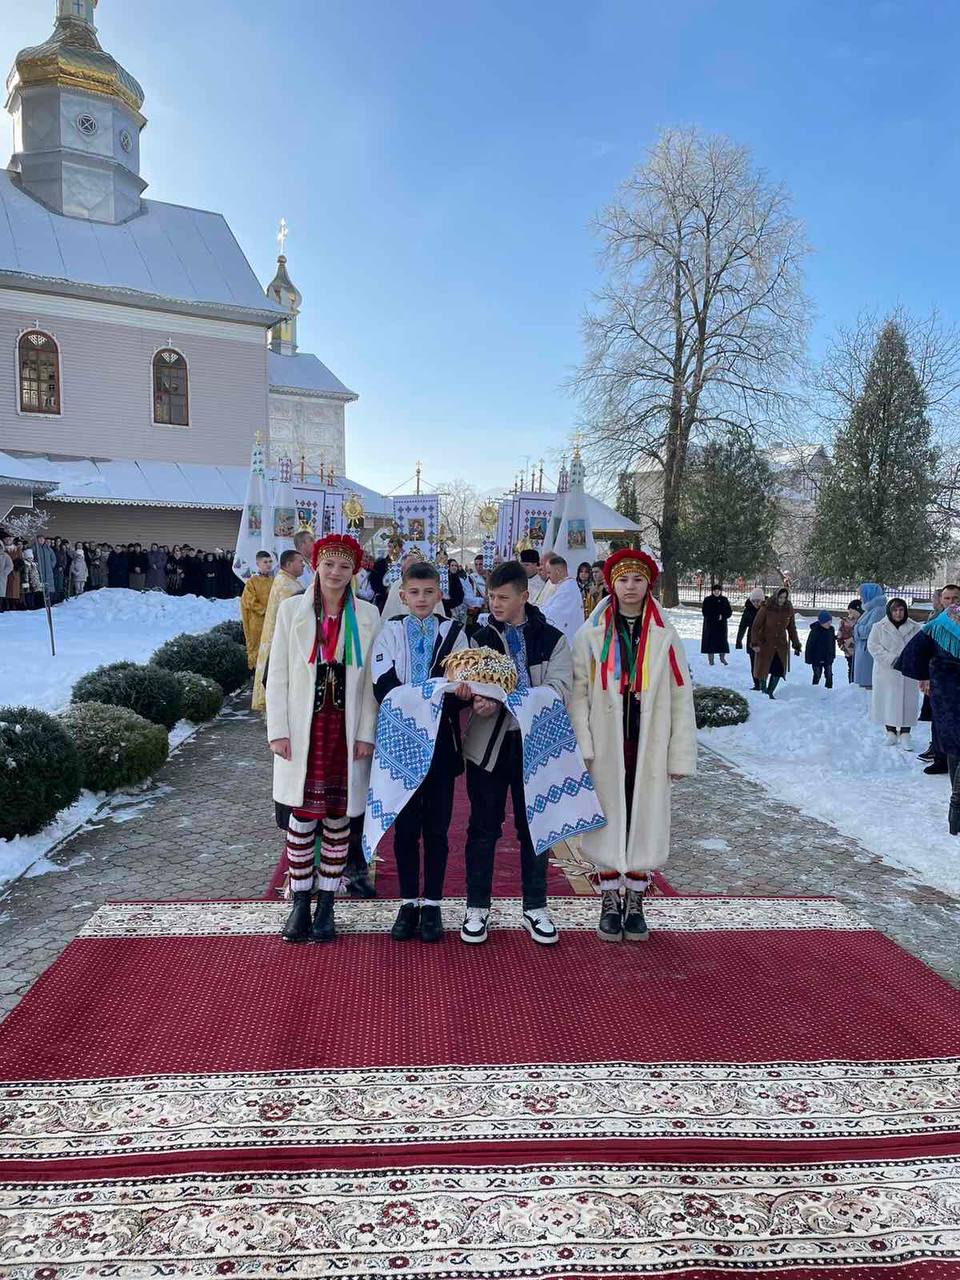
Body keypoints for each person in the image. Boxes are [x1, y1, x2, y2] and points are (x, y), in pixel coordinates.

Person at [570, 548, 697, 942]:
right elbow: (578, 692)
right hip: (608, 739)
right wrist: (584, 744)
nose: (630, 587)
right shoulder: (590, 634)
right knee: (609, 813)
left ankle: (637, 898)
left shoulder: (664, 635)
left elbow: (680, 694)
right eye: (623, 580)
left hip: (649, 739)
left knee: (644, 813)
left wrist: (679, 752)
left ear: (648, 585)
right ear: (612, 583)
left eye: (637, 580)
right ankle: (609, 897)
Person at [266, 534, 379, 943]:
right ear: (316, 565)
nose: (335, 573)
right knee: (301, 816)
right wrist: (277, 730)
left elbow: (370, 683)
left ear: (354, 571)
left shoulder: (367, 615)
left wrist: (367, 732)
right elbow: (276, 672)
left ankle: (328, 903)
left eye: (344, 566)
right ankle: (300, 902)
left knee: (338, 816)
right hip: (304, 727)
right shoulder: (291, 611)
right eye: (328, 564)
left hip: (344, 728)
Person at [461, 560, 572, 946]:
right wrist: (478, 699)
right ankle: (477, 906)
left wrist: (511, 699)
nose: (495, 604)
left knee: (534, 828)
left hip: (533, 746)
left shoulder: (552, 639)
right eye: (491, 596)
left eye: (503, 597)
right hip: (488, 747)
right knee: (483, 827)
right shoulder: (477, 637)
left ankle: (535, 905)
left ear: (524, 596)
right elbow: (467, 680)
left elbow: (560, 689)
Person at [371, 561, 470, 942]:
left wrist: (459, 693)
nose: (422, 599)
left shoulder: (456, 634)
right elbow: (384, 685)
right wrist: (433, 692)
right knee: (406, 828)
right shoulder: (391, 632)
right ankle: (408, 901)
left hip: (442, 745)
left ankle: (433, 903)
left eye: (429, 592)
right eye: (414, 592)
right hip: (402, 744)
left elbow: (462, 680)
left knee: (438, 829)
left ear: (440, 594)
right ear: (403, 595)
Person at [895, 603, 960, 833]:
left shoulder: (945, 619)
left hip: (946, 692)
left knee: (954, 745)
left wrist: (926, 674)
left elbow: (912, 653)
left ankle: (956, 807)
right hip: (947, 692)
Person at [252, 549, 304, 712]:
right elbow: (293, 617)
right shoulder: (286, 585)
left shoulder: (287, 580)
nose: (303, 565)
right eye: (299, 562)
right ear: (289, 564)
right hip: (281, 640)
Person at [868, 598, 921, 748]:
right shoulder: (879, 627)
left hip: (908, 671)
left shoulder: (915, 627)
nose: (898, 613)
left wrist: (908, 660)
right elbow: (873, 646)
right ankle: (890, 732)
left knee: (908, 702)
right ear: (890, 612)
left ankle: (905, 733)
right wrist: (892, 659)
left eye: (901, 610)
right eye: (895, 610)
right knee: (888, 701)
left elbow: (920, 646)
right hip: (887, 672)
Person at [918, 584, 960, 775]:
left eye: (956, 598)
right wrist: (924, 677)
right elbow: (923, 653)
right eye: (947, 598)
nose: (952, 602)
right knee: (939, 720)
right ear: (941, 600)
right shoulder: (935, 622)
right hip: (940, 680)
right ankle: (940, 757)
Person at [750, 586, 801, 699]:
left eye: (784, 597)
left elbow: (792, 628)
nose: (782, 600)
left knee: (778, 669)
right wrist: (755, 643)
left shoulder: (788, 608)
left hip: (780, 645)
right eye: (780, 597)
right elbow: (755, 626)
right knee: (764, 669)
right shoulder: (766, 607)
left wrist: (796, 643)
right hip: (766, 643)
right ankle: (763, 692)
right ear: (776, 596)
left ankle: (770, 692)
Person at [240, 551, 274, 671]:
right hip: (257, 623)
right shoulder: (252, 582)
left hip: (272, 622)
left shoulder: (274, 581)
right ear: (258, 564)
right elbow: (248, 601)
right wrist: (264, 610)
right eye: (265, 562)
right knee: (257, 649)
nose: (268, 564)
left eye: (270, 561)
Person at [541, 554, 586, 645]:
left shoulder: (568, 589)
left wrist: (535, 613)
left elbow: (554, 614)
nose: (547, 576)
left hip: (567, 641)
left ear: (557, 571)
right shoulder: (564, 586)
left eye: (549, 572)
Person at [853, 583, 886, 689]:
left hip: (868, 654)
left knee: (869, 689)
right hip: (864, 651)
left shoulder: (878, 610)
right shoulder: (870, 609)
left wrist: (856, 628)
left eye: (862, 595)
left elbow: (868, 631)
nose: (861, 598)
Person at [736, 588, 765, 690]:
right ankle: (757, 684)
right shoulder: (748, 610)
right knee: (754, 663)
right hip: (752, 640)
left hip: (765, 640)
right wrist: (738, 640)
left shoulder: (767, 608)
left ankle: (763, 684)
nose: (756, 603)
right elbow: (742, 626)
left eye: (758, 601)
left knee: (764, 664)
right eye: (753, 601)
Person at [700, 583, 732, 666]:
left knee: (722, 642)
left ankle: (722, 658)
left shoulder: (724, 600)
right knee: (710, 642)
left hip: (722, 626)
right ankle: (711, 660)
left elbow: (729, 612)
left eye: (718, 591)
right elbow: (705, 612)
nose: (717, 592)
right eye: (715, 591)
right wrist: (715, 616)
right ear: (712, 591)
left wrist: (723, 616)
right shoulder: (707, 600)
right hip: (710, 625)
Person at [804, 610, 837, 688]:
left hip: (828, 657)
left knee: (829, 674)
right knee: (817, 674)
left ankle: (829, 689)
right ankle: (815, 689)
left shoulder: (831, 629)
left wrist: (833, 654)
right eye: (827, 622)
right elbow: (809, 645)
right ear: (821, 622)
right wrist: (808, 658)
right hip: (816, 658)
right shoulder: (815, 631)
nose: (829, 624)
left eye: (830, 622)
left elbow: (832, 642)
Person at [836, 599, 863, 685]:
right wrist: (842, 647)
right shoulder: (844, 622)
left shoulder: (862, 622)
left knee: (859, 670)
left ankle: (858, 684)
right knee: (851, 669)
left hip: (860, 652)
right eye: (849, 611)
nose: (850, 614)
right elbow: (839, 636)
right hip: (849, 652)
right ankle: (852, 685)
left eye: (852, 611)